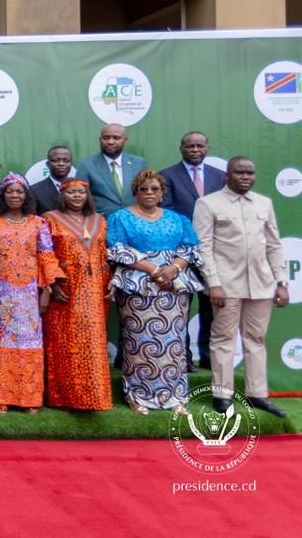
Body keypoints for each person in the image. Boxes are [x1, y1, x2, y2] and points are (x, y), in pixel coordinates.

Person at [194, 157, 290, 418]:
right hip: (225, 285)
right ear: (227, 175)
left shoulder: (264, 203)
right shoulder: (208, 203)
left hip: (261, 285)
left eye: (250, 172)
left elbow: (274, 244)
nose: (246, 177)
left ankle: (257, 394)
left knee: (256, 339)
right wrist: (213, 283)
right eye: (239, 172)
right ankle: (222, 395)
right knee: (223, 339)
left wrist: (281, 282)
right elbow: (203, 247)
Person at [106, 169, 203, 415]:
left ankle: (175, 396)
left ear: (162, 193)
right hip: (137, 286)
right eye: (143, 189)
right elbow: (115, 249)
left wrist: (173, 268)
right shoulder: (120, 218)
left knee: (174, 342)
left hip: (173, 287)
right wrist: (151, 268)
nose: (149, 193)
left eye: (154, 189)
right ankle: (137, 396)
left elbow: (190, 248)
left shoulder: (178, 219)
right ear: (135, 193)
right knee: (137, 342)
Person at [0, 173, 64, 415]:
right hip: (0, 292)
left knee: (29, 344)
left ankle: (29, 398)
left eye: (19, 191)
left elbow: (46, 256)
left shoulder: (38, 223)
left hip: (29, 293)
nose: (15, 195)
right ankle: (0, 396)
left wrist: (47, 289)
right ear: (3, 195)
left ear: (26, 195)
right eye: (10, 191)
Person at [42, 178, 113, 411]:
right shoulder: (50, 219)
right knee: (65, 343)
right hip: (66, 291)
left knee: (92, 344)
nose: (76, 196)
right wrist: (53, 283)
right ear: (63, 195)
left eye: (81, 192)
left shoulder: (100, 221)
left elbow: (105, 254)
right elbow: (45, 253)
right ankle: (65, 398)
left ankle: (94, 397)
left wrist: (110, 281)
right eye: (71, 192)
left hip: (94, 291)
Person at [161, 131, 225, 371]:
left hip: (214, 253)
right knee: (181, 309)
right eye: (190, 146)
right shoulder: (167, 176)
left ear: (207, 147)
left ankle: (208, 357)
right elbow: (167, 212)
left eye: (199, 145)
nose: (195, 150)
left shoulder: (220, 177)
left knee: (211, 307)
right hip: (181, 254)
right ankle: (183, 358)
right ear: (181, 148)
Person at [76, 123, 147, 217]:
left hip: (134, 221)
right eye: (106, 138)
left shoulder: (138, 163)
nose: (110, 142)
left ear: (125, 141)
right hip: (101, 223)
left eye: (116, 138)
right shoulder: (86, 165)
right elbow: (81, 198)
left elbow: (146, 192)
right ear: (100, 140)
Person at [31, 146, 73, 216]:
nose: (61, 164)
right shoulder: (34, 190)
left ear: (71, 164)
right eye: (56, 160)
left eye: (66, 161)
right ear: (48, 164)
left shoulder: (79, 190)